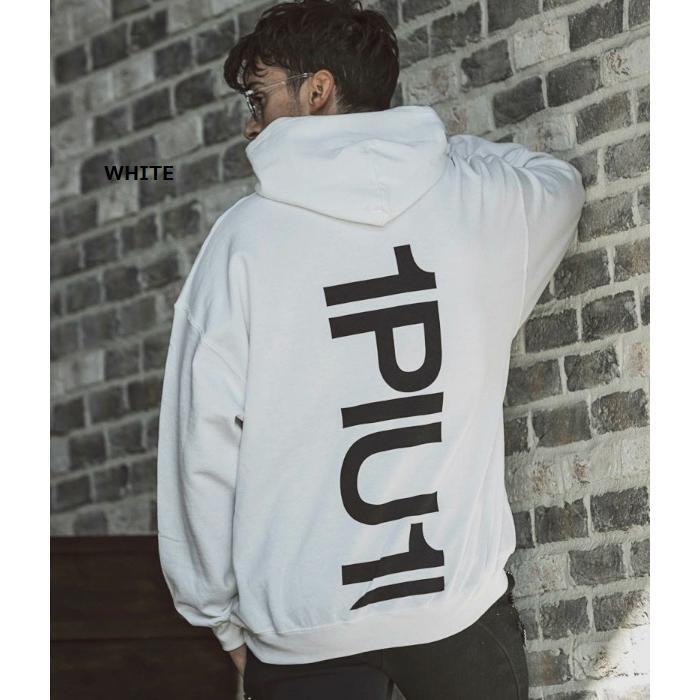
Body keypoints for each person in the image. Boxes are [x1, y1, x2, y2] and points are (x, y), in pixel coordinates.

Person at [156, 1, 586, 698]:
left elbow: (200, 448)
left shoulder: (242, 244)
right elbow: (558, 185)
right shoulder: (479, 205)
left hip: (306, 635)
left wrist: (217, 616)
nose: (249, 124)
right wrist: (440, 151)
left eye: (258, 98)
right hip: (457, 616)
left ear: (317, 90)